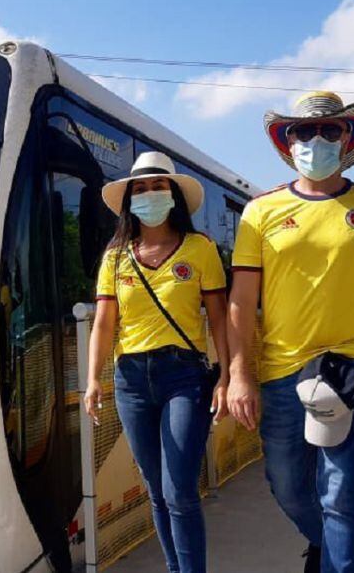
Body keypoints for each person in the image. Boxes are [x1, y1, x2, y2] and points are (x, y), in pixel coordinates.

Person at [226, 91, 354, 573]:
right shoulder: (261, 212)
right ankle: (327, 543)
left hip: (352, 364)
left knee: (342, 492)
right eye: (304, 131)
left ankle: (339, 552)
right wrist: (239, 373)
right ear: (288, 140)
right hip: (280, 369)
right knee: (288, 484)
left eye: (329, 130)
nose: (316, 140)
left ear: (347, 139)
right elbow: (241, 299)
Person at [84, 152, 229, 573]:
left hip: (184, 376)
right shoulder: (116, 257)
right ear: (129, 199)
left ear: (174, 194)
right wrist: (93, 380)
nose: (149, 195)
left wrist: (228, 376)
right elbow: (104, 324)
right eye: (140, 189)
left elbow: (219, 317)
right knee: (155, 489)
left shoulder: (199, 249)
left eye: (158, 186)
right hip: (130, 380)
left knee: (179, 489)